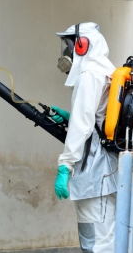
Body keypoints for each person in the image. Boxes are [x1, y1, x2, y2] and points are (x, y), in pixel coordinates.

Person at [51, 22, 118, 253]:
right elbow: (96, 117)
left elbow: (83, 125)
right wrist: (72, 117)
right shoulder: (106, 70)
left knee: (95, 242)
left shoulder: (90, 74)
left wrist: (65, 165)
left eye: (70, 44)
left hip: (95, 173)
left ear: (82, 45)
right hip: (110, 170)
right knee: (111, 236)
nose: (67, 50)